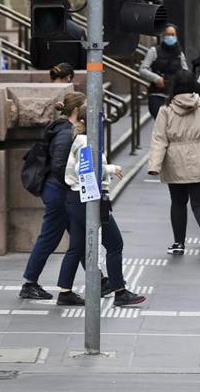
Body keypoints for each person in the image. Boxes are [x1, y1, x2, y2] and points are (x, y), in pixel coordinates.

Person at [58, 102, 145, 307]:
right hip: (88, 199)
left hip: (76, 198)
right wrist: (110, 169)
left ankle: (65, 292)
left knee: (76, 247)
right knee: (115, 244)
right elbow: (84, 169)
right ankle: (120, 292)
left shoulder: (81, 139)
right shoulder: (87, 141)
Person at [148, 70, 200, 258]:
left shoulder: (166, 109)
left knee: (178, 202)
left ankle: (178, 243)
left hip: (176, 163)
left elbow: (159, 139)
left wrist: (155, 165)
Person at [19, 93, 80, 300]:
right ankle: (29, 283)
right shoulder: (65, 133)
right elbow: (59, 166)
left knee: (80, 237)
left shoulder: (64, 129)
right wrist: (73, 183)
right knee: (49, 238)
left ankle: (99, 280)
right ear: (76, 111)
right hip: (59, 192)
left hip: (60, 191)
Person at [140, 23, 189, 118]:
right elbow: (142, 69)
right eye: (168, 34)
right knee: (161, 121)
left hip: (175, 96)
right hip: (157, 94)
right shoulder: (154, 51)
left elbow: (185, 72)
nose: (170, 37)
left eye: (172, 35)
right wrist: (156, 78)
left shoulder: (180, 53)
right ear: (163, 36)